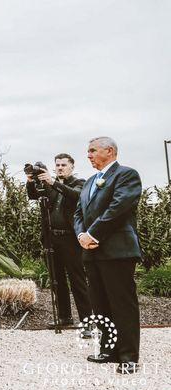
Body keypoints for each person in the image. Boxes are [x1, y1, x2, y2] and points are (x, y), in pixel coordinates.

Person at [74, 136, 142, 375]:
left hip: (117, 250)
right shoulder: (89, 181)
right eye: (88, 151)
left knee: (122, 303)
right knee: (99, 303)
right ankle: (108, 349)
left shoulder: (126, 175)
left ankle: (128, 356)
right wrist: (81, 235)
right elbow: (78, 213)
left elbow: (119, 207)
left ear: (110, 151)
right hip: (91, 252)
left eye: (92, 150)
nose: (89, 155)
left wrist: (93, 234)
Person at [26, 154, 92, 333]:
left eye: (64, 165)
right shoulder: (50, 185)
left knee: (77, 281)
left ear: (71, 167)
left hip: (71, 239)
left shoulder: (80, 183)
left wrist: (53, 182)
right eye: (57, 165)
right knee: (57, 281)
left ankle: (87, 322)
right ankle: (64, 317)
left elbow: (76, 196)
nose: (60, 168)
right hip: (51, 239)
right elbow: (33, 196)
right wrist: (31, 181)